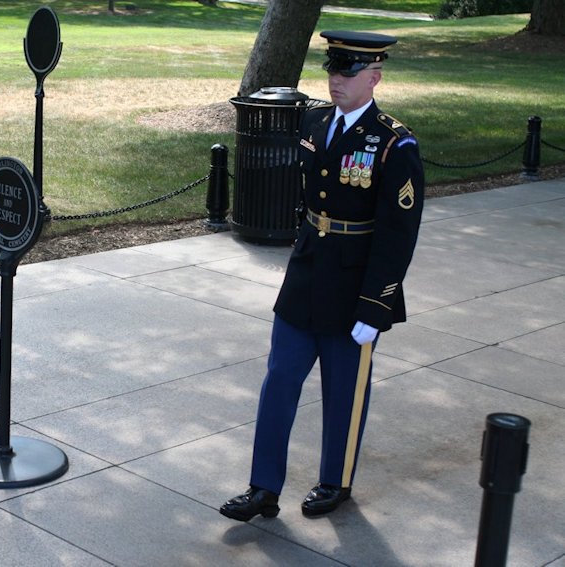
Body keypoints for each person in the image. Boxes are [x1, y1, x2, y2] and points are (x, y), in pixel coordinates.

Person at [220, 30, 424, 521]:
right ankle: (263, 487)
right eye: (333, 69)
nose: (336, 80)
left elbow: (398, 235)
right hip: (308, 274)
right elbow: (311, 199)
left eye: (348, 72)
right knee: (279, 381)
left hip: (355, 286)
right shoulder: (313, 122)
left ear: (373, 77)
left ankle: (336, 481)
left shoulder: (394, 144)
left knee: (344, 393)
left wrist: (376, 305)